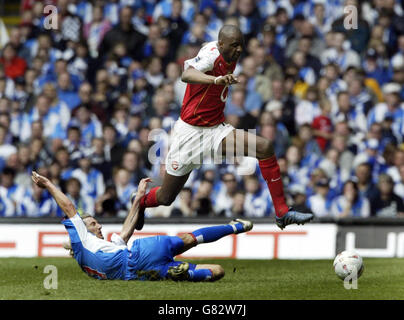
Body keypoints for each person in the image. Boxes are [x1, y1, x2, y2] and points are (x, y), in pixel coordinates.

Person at [134, 25, 313, 230]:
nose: (239, 50)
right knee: (166, 197)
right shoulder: (212, 56)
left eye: (241, 45)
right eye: (234, 45)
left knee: (264, 147)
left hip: (215, 130)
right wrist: (216, 79)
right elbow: (187, 75)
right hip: (190, 134)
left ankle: (282, 212)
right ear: (221, 44)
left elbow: (205, 50)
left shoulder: (226, 52)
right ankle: (140, 201)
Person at [31, 171, 252, 281]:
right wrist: (48, 184)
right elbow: (70, 207)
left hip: (143, 273)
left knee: (218, 272)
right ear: (82, 229)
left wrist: (137, 200)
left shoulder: (93, 259)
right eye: (93, 223)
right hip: (141, 254)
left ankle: (178, 273)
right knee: (189, 239)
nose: (99, 226)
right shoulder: (83, 240)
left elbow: (125, 231)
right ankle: (234, 227)